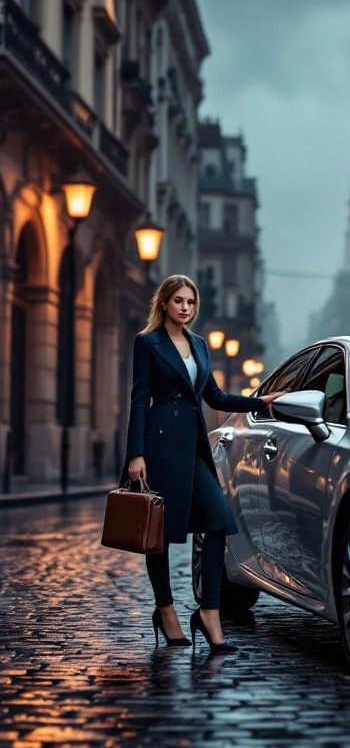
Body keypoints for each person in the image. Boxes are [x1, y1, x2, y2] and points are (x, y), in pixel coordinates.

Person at [122, 274, 282, 653]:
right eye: (178, 301)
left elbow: (214, 395)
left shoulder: (198, 343)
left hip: (194, 447)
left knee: (217, 521)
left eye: (190, 303)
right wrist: (136, 454)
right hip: (159, 446)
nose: (185, 308)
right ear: (164, 303)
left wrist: (260, 402)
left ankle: (209, 611)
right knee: (156, 533)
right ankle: (166, 610)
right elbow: (139, 398)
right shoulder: (147, 343)